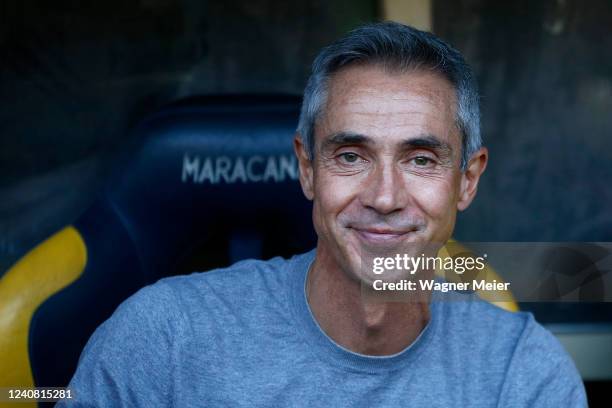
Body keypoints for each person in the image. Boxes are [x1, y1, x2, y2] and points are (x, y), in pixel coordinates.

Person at [58, 21, 587, 407]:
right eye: (351, 156)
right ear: (307, 169)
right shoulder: (163, 339)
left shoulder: (520, 374)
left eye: (421, 159)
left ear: (467, 180)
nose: (384, 197)